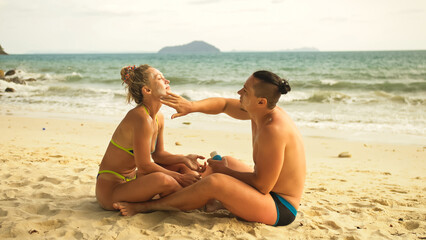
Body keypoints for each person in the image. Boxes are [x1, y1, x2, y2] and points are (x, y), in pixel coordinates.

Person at [113, 70, 306, 227]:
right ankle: (209, 200)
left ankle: (148, 206)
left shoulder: (274, 130)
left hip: (280, 206)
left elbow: (263, 186)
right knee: (225, 162)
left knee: (216, 181)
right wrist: (190, 106)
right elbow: (222, 105)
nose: (239, 93)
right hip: (266, 195)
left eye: (245, 91)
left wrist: (225, 172)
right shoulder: (259, 111)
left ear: (261, 101)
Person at [96, 64, 205, 211]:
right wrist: (179, 178)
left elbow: (159, 155)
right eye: (160, 78)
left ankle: (196, 198)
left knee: (183, 167)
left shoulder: (158, 117)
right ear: (147, 90)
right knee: (163, 179)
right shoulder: (140, 117)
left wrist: (184, 158)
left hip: (132, 181)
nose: (167, 81)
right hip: (111, 191)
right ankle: (199, 200)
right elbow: (144, 165)